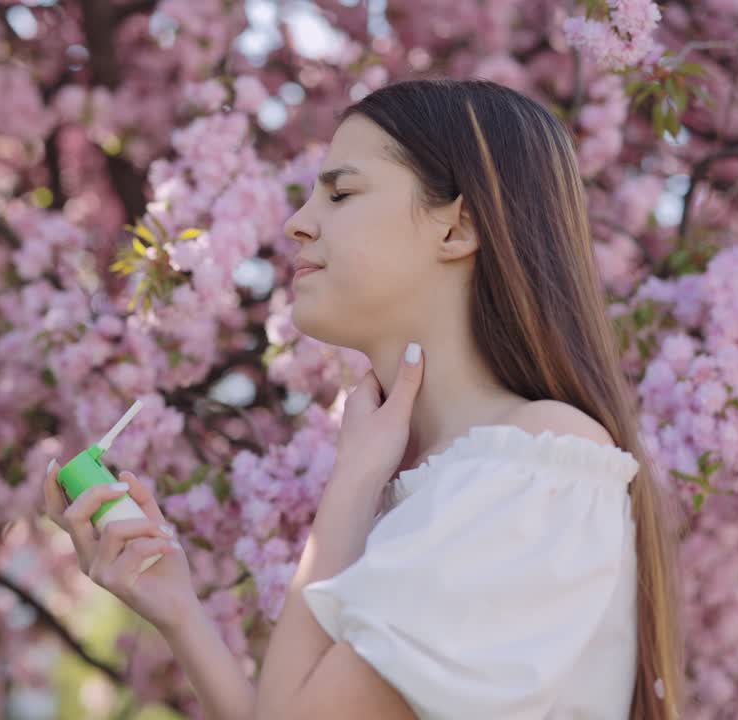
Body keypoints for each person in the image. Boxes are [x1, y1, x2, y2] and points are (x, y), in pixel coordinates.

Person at [42, 79, 685, 719]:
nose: (297, 224)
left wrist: (349, 486)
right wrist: (179, 610)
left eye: (341, 193)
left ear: (458, 228)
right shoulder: (446, 485)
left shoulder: (536, 471)